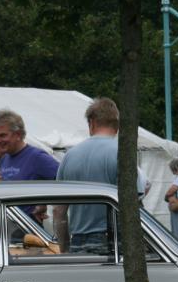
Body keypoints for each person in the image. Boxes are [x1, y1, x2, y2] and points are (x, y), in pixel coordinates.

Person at [54, 97, 146, 253]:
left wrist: (65, 250)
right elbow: (134, 206)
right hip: (112, 242)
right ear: (117, 125)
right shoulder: (122, 154)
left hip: (77, 242)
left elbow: (59, 212)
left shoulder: (69, 157)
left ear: (92, 123)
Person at [0, 110, 59, 181]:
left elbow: (64, 180)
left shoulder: (38, 158)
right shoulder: (4, 159)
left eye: (2, 135)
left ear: (18, 135)